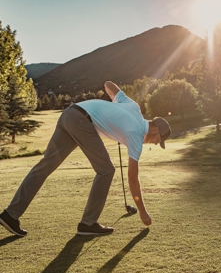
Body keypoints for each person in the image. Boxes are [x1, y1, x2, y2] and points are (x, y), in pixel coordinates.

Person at [0, 81, 171, 237]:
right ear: (155, 129)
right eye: (159, 140)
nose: (156, 143)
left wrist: (113, 108)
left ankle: (10, 215)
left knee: (45, 165)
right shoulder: (136, 135)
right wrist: (142, 211)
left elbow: (109, 85)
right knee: (106, 170)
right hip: (81, 121)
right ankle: (88, 224)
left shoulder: (133, 107)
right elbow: (133, 180)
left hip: (70, 114)